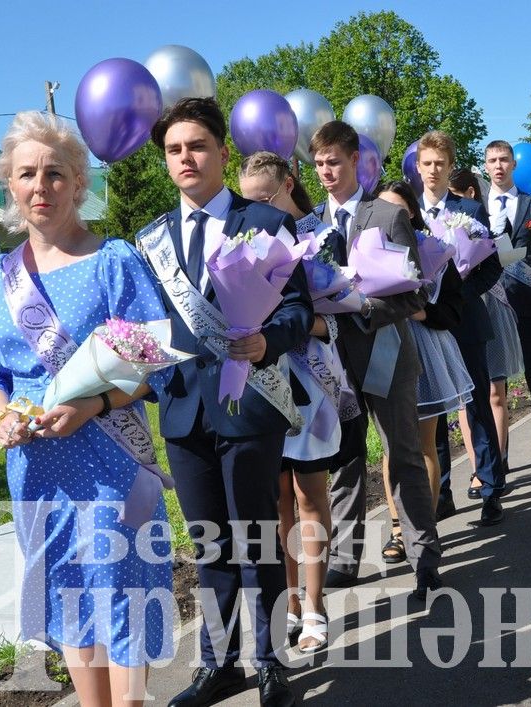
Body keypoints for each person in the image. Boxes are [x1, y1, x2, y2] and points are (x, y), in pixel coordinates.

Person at [0, 111, 173, 707]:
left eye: (55, 173)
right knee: (71, 594)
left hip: (112, 455)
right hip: (38, 468)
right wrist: (2, 414)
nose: (40, 186)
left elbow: (149, 363)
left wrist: (94, 405)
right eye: (27, 175)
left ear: (79, 183)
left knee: (122, 590)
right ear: (10, 186)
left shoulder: (113, 263)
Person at [136, 99, 314, 707]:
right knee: (210, 543)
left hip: (250, 405)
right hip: (184, 411)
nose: (186, 158)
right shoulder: (150, 241)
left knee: (257, 538)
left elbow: (298, 306)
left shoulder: (265, 219)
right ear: (166, 161)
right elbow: (143, 329)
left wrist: (270, 340)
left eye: (197, 146)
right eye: (174, 150)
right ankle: (218, 661)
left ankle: (268, 662)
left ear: (221, 152)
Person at [309, 120, 442, 599]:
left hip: (385, 352)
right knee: (344, 461)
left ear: (354, 163)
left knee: (403, 454)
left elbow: (413, 296)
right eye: (319, 163)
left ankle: (424, 555)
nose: (326, 171)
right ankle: (346, 557)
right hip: (333, 361)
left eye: (334, 162)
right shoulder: (309, 228)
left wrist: (364, 308)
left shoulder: (385, 217)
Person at [239, 151, 358, 652]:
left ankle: (315, 606)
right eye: (248, 204)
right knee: (277, 500)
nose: (257, 212)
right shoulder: (243, 241)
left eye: (264, 199)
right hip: (264, 385)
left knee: (310, 496)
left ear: (288, 185)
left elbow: (337, 317)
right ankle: (287, 601)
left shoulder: (322, 237)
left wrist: (283, 325)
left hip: (310, 384)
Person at [374, 180, 472, 562]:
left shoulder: (433, 250)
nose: (387, 218)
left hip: (425, 347)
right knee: (391, 444)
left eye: (396, 210)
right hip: (384, 346)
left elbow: (453, 308)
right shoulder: (367, 248)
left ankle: (425, 528)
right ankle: (399, 528)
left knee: (423, 442)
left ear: (411, 212)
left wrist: (423, 311)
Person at [416, 130, 506, 525]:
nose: (434, 171)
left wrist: (464, 295)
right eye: (427, 164)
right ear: (417, 167)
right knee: (434, 407)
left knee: (476, 405)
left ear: (451, 166)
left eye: (441, 163)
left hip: (466, 321)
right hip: (428, 328)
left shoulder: (469, 210)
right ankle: (442, 492)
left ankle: (490, 488)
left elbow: (492, 264)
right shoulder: (406, 212)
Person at [448, 167, 524, 491]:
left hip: (488, 307)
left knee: (494, 391)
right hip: (457, 313)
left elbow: (490, 264)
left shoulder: (478, 222)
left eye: (456, 195)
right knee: (466, 397)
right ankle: (480, 468)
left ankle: (499, 457)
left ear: (470, 194)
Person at [484, 140, 531, 479]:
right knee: (495, 390)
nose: (498, 165)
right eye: (492, 160)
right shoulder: (475, 208)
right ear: (485, 166)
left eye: (504, 159)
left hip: (530, 308)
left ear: (513, 164)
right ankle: (498, 465)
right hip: (492, 309)